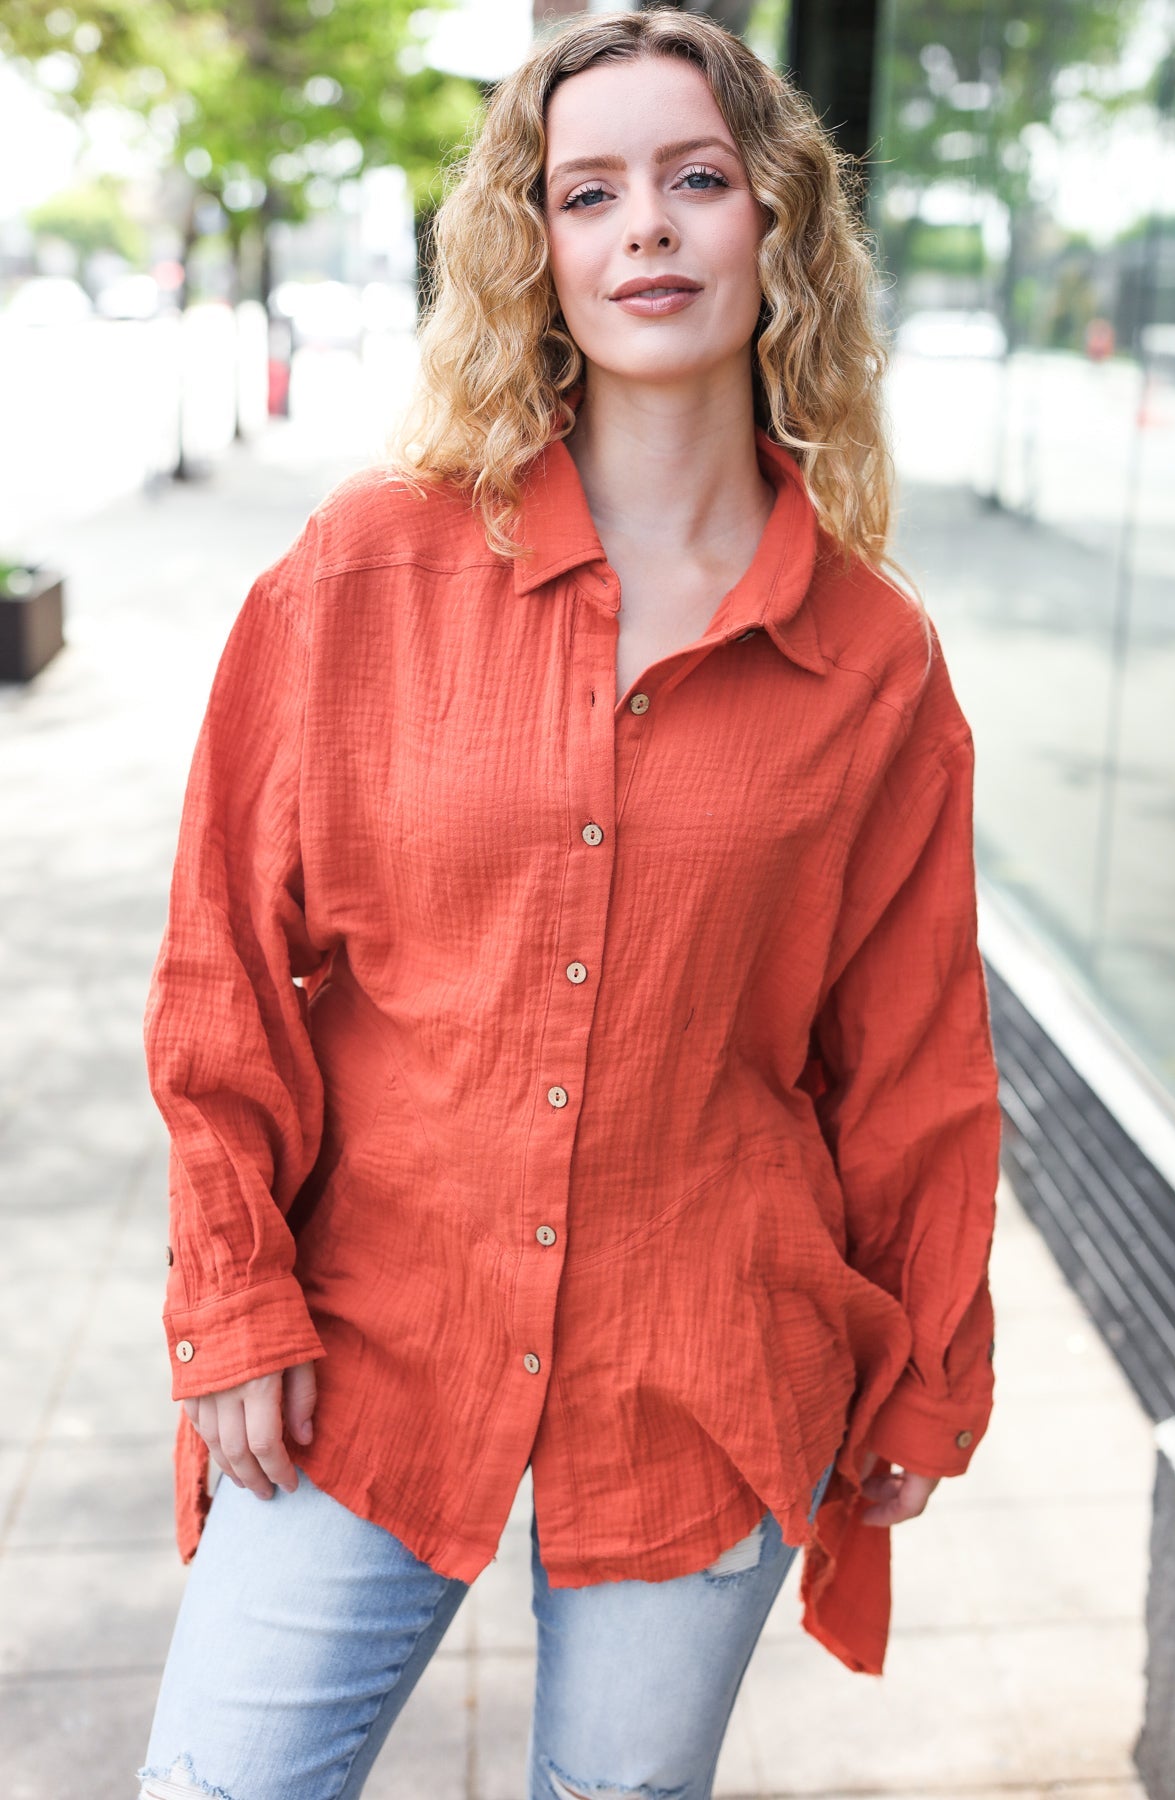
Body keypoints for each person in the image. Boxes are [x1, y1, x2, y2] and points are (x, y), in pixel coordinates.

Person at [136, 9, 1002, 1799]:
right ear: (535, 251)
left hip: (708, 1352)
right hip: (370, 1336)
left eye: (698, 180)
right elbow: (223, 952)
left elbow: (915, 1061)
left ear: (776, 228)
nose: (649, 229)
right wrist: (231, 1294)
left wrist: (927, 1364)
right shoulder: (366, 570)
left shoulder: (873, 662)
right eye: (588, 191)